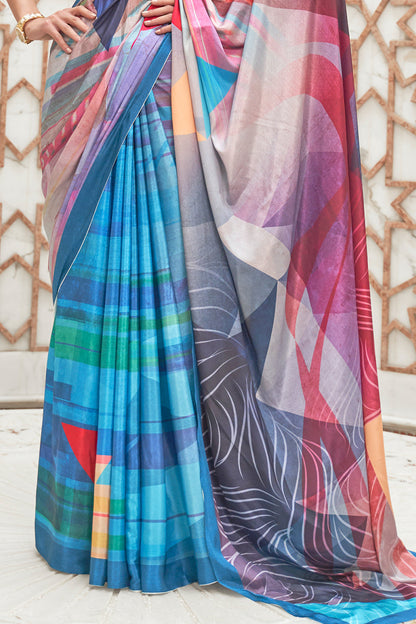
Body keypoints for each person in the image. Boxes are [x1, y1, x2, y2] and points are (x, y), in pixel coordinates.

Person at [6, 0, 416, 621]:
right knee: (100, 297)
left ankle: (167, 528)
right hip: (99, 73)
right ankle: (84, 520)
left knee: (168, 301)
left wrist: (198, 13)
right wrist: (27, 21)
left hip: (171, 80)